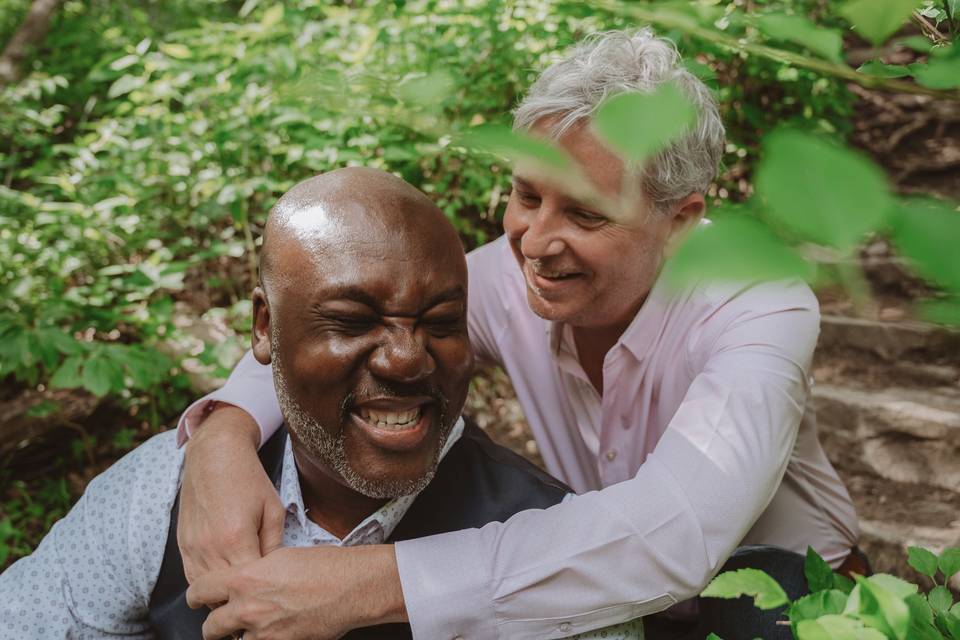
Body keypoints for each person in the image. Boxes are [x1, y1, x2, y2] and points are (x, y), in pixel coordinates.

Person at [175, 28, 861, 640]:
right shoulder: (504, 278)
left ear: (680, 220)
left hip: (778, 590)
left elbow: (678, 534)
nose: (533, 242)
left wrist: (362, 583)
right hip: (597, 598)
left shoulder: (759, 301)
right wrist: (224, 434)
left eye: (585, 216)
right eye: (527, 195)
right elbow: (342, 335)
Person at [0, 168, 643, 640]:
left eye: (441, 322)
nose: (405, 359)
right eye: (352, 320)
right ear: (264, 328)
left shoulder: (555, 551)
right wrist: (220, 434)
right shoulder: (161, 494)